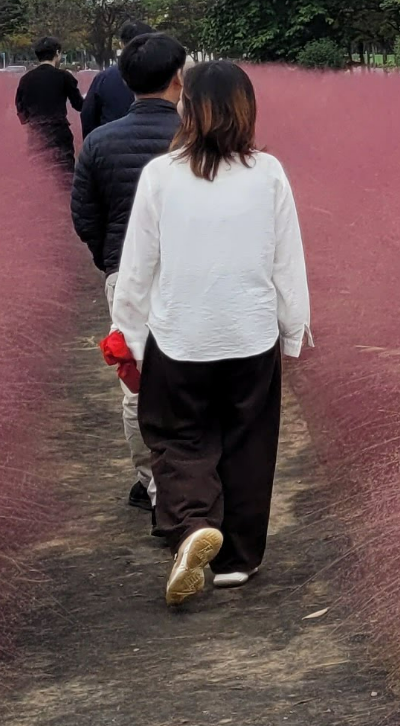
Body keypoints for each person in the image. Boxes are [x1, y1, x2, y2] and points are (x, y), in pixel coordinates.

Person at [111, 60, 309, 605]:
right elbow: (287, 261)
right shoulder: (268, 172)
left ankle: (193, 524)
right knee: (248, 441)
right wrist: (293, 331)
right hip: (250, 334)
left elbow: (138, 266)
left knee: (178, 437)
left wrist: (126, 334)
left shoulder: (161, 174)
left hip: (181, 335)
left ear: (191, 109)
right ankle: (237, 560)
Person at [72, 33, 188, 509]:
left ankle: (155, 486)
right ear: (179, 79)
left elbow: (84, 216)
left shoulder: (99, 141)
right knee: (193, 378)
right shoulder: (195, 138)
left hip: (126, 276)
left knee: (136, 384)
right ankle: (197, 487)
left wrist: (110, 263)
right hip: (190, 276)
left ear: (125, 79)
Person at [13, 38, 82, 167]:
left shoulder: (25, 80)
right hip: (59, 135)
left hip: (36, 135)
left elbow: (20, 108)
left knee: (39, 172)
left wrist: (29, 121)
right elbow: (79, 105)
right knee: (63, 175)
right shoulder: (64, 77)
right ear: (57, 53)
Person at [79, 22, 151, 136]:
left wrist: (92, 146)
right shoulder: (167, 74)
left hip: (111, 144)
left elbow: (88, 115)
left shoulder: (104, 78)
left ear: (121, 44)